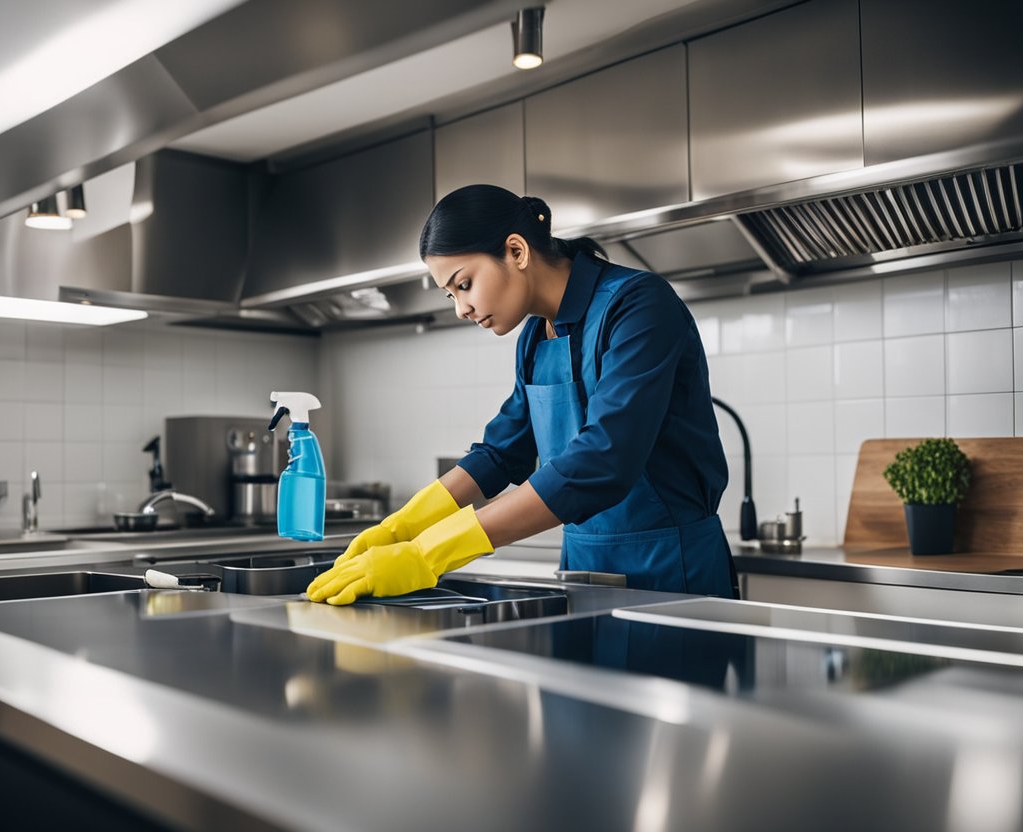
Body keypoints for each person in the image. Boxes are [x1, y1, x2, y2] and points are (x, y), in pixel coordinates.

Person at [306, 184, 736, 605]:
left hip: (671, 569)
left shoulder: (639, 306)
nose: (461, 308)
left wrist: (428, 553)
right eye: (450, 294)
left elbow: (603, 460)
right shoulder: (533, 335)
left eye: (465, 283)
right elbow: (500, 453)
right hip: (582, 565)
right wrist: (401, 528)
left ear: (517, 251)